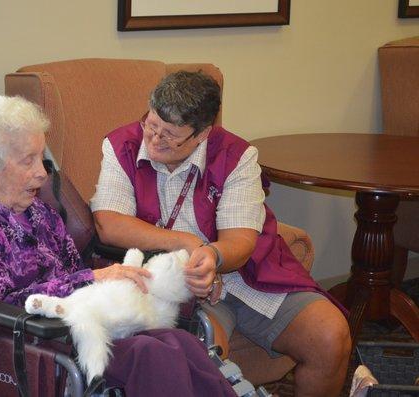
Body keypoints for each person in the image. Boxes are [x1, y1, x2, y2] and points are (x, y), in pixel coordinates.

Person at [0, 95, 236, 396]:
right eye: (27, 160)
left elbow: (75, 271)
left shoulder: (41, 213)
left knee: (182, 343)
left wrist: (118, 280)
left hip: (90, 322)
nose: (43, 174)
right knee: (149, 353)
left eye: (41, 158)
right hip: (43, 342)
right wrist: (93, 279)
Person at [90, 71, 352, 397]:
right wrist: (188, 244)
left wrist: (213, 256)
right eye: (151, 125)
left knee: (330, 334)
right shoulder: (121, 146)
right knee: (199, 356)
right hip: (175, 284)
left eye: (170, 135)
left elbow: (240, 241)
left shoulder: (237, 156)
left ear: (202, 134)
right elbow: (108, 223)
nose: (154, 140)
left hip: (247, 274)